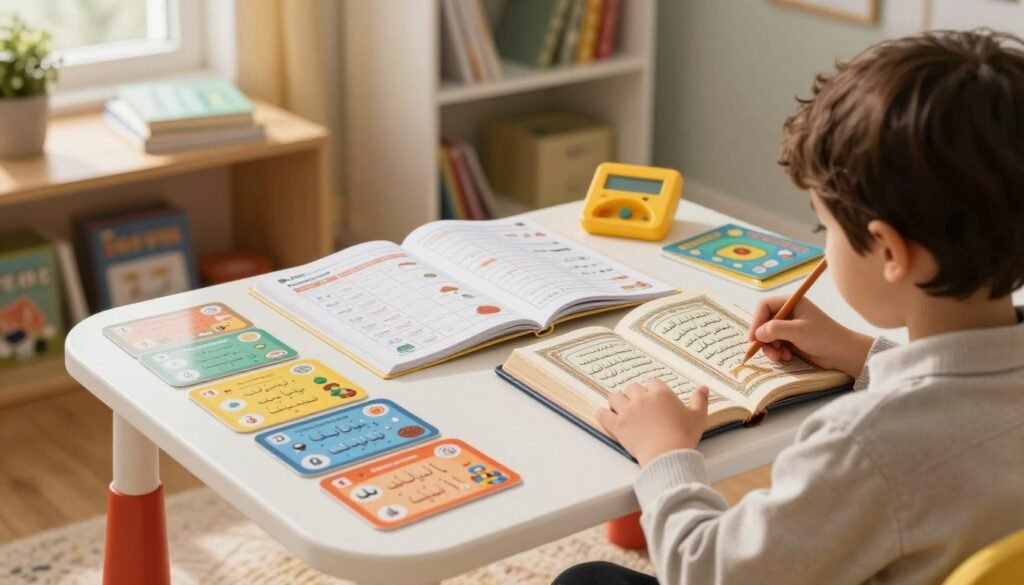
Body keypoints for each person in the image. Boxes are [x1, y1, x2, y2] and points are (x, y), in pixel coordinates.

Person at [554, 29, 1024, 585]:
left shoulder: (865, 446)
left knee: (585, 581)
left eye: (823, 227)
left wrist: (664, 455)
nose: (824, 243)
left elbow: (709, 571)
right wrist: (857, 352)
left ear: (891, 252)